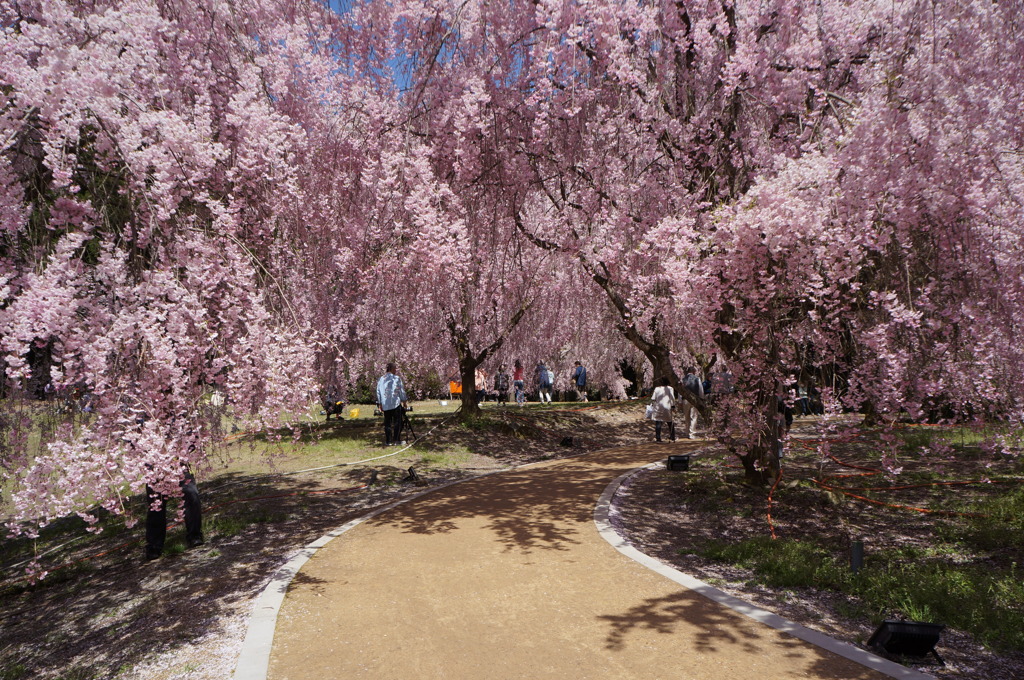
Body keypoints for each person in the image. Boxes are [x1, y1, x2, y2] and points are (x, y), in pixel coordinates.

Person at [145, 463, 203, 561]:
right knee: (156, 504)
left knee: (191, 493)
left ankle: (195, 535)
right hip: (154, 467)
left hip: (178, 463)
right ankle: (154, 546)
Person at [376, 362, 409, 446]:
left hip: (385, 404)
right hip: (395, 403)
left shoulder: (381, 379)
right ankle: (396, 440)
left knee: (387, 423)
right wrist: (404, 401)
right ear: (391, 369)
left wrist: (380, 403)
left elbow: (378, 392)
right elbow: (401, 390)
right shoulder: (396, 378)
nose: (396, 370)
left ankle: (388, 441)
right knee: (398, 422)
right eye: (395, 368)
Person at [649, 376, 676, 442]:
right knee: (670, 422)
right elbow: (672, 398)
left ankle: (658, 438)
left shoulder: (657, 389)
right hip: (667, 407)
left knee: (658, 422)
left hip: (658, 407)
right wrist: (673, 406)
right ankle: (672, 436)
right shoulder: (670, 389)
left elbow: (653, 398)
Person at [680, 366, 704, 439]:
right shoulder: (697, 379)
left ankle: (687, 432)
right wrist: (701, 399)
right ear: (694, 371)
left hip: (685, 399)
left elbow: (680, 391)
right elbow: (700, 390)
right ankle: (692, 433)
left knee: (686, 416)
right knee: (693, 417)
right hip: (694, 399)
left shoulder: (683, 379)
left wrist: (680, 401)